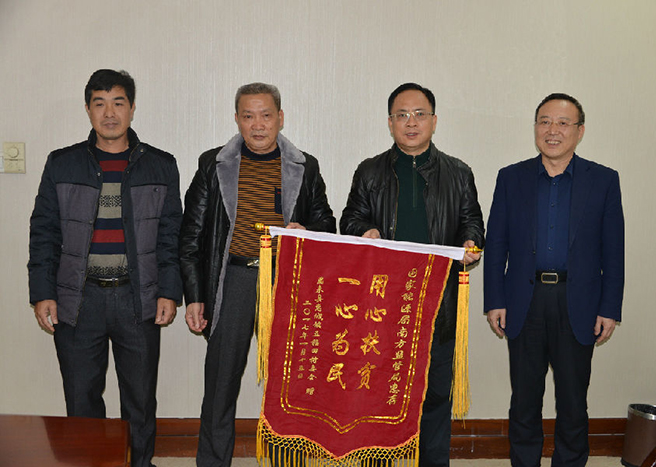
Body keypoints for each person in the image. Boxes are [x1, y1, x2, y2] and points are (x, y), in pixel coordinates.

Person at [28, 69, 182, 467]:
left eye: (118, 103)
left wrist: (169, 290)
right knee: (81, 399)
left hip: (138, 297)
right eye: (100, 103)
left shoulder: (161, 165)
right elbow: (43, 233)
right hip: (78, 300)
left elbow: (171, 237)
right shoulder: (62, 164)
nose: (109, 113)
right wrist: (42, 293)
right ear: (88, 109)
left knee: (140, 401)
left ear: (132, 108)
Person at [179, 82, 336, 466]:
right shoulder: (213, 164)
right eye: (248, 116)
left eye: (266, 115)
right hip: (232, 280)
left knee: (288, 386)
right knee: (220, 383)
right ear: (237, 119)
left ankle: (287, 461)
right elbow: (190, 237)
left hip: (285, 283)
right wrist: (194, 296)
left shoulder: (305, 167)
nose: (258, 124)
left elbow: (327, 227)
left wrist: (307, 232)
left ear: (280, 118)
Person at [340, 82, 485, 467]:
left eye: (419, 114)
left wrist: (471, 242)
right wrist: (363, 231)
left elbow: (472, 222)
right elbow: (349, 219)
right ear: (390, 123)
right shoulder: (370, 171)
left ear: (434, 121)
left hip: (438, 302)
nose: (411, 122)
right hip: (382, 304)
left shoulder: (458, 173)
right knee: (376, 394)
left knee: (435, 394)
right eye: (402, 115)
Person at [483, 93, 624, 466]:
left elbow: (614, 251)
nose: (552, 130)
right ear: (535, 128)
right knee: (524, 401)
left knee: (573, 402)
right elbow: (496, 244)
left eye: (563, 123)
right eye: (544, 121)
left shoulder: (604, 181)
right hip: (523, 301)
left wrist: (610, 308)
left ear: (580, 131)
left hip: (579, 302)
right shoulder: (511, 178)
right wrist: (495, 299)